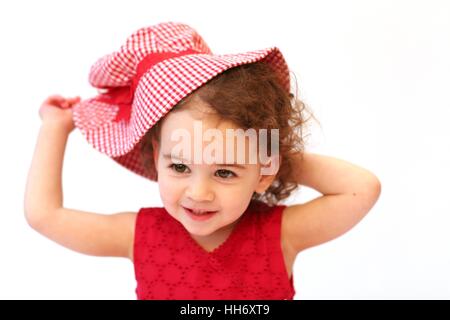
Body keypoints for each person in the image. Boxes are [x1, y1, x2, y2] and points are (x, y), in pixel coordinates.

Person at [24, 21, 381, 300]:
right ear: (156, 157)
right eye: (180, 167)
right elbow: (45, 216)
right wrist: (54, 129)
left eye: (224, 171)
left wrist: (266, 154)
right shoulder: (139, 236)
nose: (199, 192)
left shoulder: (280, 235)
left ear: (261, 173)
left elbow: (361, 189)